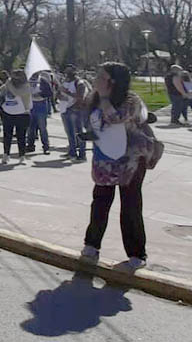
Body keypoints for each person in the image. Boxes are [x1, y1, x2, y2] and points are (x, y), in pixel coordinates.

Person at [81, 62, 158, 269]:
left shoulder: (131, 99)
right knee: (100, 202)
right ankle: (91, 245)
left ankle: (137, 254)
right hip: (105, 159)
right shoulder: (94, 99)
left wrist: (105, 97)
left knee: (130, 205)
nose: (95, 79)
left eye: (100, 76)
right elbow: (96, 124)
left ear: (112, 81)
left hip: (130, 161)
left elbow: (115, 117)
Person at [0, 69, 32, 165]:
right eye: (13, 77)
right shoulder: (8, 84)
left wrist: (8, 83)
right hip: (7, 113)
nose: (14, 80)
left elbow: (17, 93)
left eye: (17, 77)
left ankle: (22, 156)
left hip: (22, 114)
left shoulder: (26, 86)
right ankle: (6, 155)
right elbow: (0, 91)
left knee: (21, 136)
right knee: (7, 135)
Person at [58, 65, 89, 161]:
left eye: (69, 71)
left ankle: (82, 154)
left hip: (76, 110)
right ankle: (72, 152)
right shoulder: (65, 82)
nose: (67, 73)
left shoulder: (79, 83)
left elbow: (80, 96)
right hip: (65, 109)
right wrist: (60, 96)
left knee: (79, 133)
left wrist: (66, 92)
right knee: (70, 133)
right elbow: (59, 93)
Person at [27, 70, 53, 154]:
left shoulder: (43, 80)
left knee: (42, 127)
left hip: (41, 105)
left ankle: (46, 146)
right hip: (30, 105)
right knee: (30, 127)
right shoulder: (27, 80)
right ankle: (30, 145)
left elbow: (49, 93)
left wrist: (40, 94)